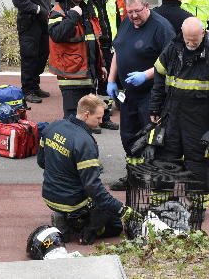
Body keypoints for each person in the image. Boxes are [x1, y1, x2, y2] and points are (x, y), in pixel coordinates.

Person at [149, 17, 209, 220]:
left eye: (195, 39)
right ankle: (161, 203)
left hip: (200, 116)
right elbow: (159, 77)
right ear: (182, 34)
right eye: (188, 39)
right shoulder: (172, 48)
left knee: (197, 162)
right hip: (171, 113)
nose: (191, 43)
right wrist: (155, 108)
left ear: (203, 33)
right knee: (165, 158)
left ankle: (198, 206)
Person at [37, 94, 138, 245]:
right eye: (98, 118)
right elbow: (94, 189)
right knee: (114, 224)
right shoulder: (85, 142)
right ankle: (80, 227)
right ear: (86, 115)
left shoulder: (53, 127)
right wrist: (123, 210)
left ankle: (62, 216)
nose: (100, 122)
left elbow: (41, 162)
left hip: (48, 195)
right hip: (72, 202)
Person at [106, 0, 176, 190]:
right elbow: (118, 52)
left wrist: (145, 75)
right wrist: (111, 80)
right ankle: (134, 176)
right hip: (129, 94)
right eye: (130, 13)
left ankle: (156, 178)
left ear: (147, 7)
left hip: (151, 93)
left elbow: (170, 61)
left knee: (152, 137)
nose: (134, 16)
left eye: (137, 11)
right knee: (128, 135)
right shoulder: (127, 23)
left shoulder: (161, 28)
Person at [48, 0, 106, 127]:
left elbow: (93, 40)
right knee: (72, 120)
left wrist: (100, 65)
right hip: (71, 75)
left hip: (88, 73)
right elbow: (57, 35)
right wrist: (73, 16)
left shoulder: (87, 7)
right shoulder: (59, 11)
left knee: (88, 120)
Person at [11, 0, 52, 104]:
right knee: (30, 56)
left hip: (43, 21)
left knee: (43, 53)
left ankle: (35, 86)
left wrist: (49, 9)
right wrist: (38, 10)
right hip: (29, 23)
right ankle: (27, 90)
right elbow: (18, 0)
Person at [86, 0, 120, 131]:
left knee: (106, 84)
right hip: (93, 46)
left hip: (108, 45)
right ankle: (92, 121)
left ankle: (105, 117)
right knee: (92, 85)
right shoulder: (84, 1)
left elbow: (115, 20)